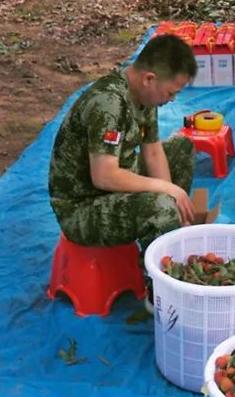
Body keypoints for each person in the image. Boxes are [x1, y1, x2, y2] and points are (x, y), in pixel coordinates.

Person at [48, 33, 197, 246]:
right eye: (170, 93)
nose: (171, 99)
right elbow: (104, 176)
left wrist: (172, 198)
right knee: (162, 205)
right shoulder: (109, 104)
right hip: (84, 206)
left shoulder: (145, 97)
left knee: (182, 148)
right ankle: (155, 271)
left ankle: (166, 232)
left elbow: (153, 153)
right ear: (149, 79)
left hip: (118, 180)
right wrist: (167, 192)